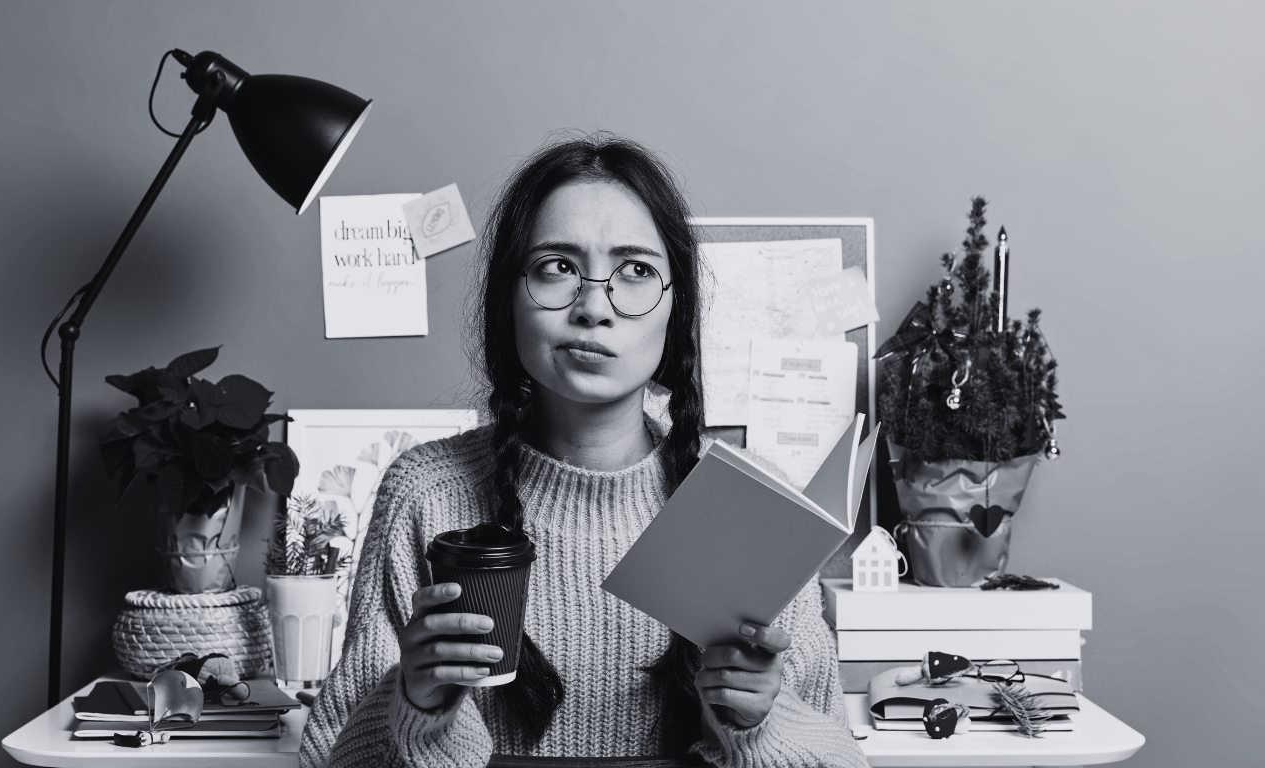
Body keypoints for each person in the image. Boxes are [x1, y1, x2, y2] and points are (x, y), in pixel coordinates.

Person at [299, 134, 867, 768]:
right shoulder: (425, 497)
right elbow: (332, 759)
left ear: (676, 310)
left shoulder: (753, 505)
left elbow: (834, 755)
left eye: (636, 271)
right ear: (506, 301)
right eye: (557, 267)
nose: (594, 307)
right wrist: (417, 704)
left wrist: (759, 722)